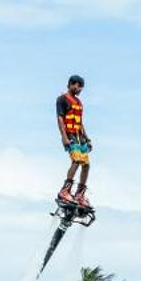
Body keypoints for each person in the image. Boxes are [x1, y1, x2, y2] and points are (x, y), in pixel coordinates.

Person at [55, 74, 92, 206]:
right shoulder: (62, 99)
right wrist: (64, 137)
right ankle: (65, 191)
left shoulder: (79, 103)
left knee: (86, 165)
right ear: (70, 84)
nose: (79, 88)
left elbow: (80, 122)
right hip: (70, 136)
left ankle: (79, 194)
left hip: (80, 137)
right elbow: (60, 119)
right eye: (77, 85)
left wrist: (87, 138)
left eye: (81, 86)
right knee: (76, 161)